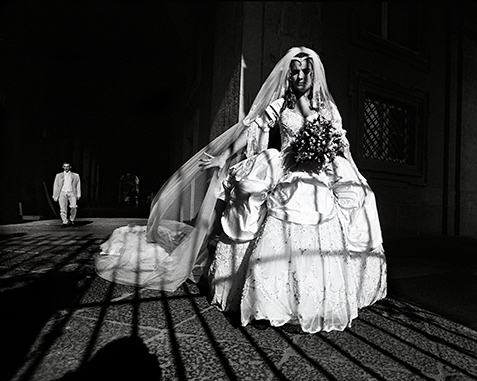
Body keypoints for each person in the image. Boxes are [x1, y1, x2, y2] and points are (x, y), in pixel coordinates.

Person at [95, 47, 387, 333]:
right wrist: (223, 157)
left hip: (317, 179)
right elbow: (252, 128)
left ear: (315, 74)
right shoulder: (281, 105)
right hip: (286, 171)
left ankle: (312, 303)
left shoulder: (327, 109)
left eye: (305, 72)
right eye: (294, 72)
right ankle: (269, 303)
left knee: (335, 223)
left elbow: (340, 144)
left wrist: (351, 171)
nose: (299, 77)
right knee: (263, 211)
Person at [52, 162, 81, 227]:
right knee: (63, 208)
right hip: (62, 192)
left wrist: (78, 194)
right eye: (65, 166)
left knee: (74, 207)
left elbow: (78, 185)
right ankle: (64, 221)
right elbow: (56, 185)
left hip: (72, 192)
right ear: (62, 167)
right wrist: (55, 195)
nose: (66, 168)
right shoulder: (58, 175)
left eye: (67, 166)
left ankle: (72, 220)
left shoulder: (75, 175)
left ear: (70, 167)